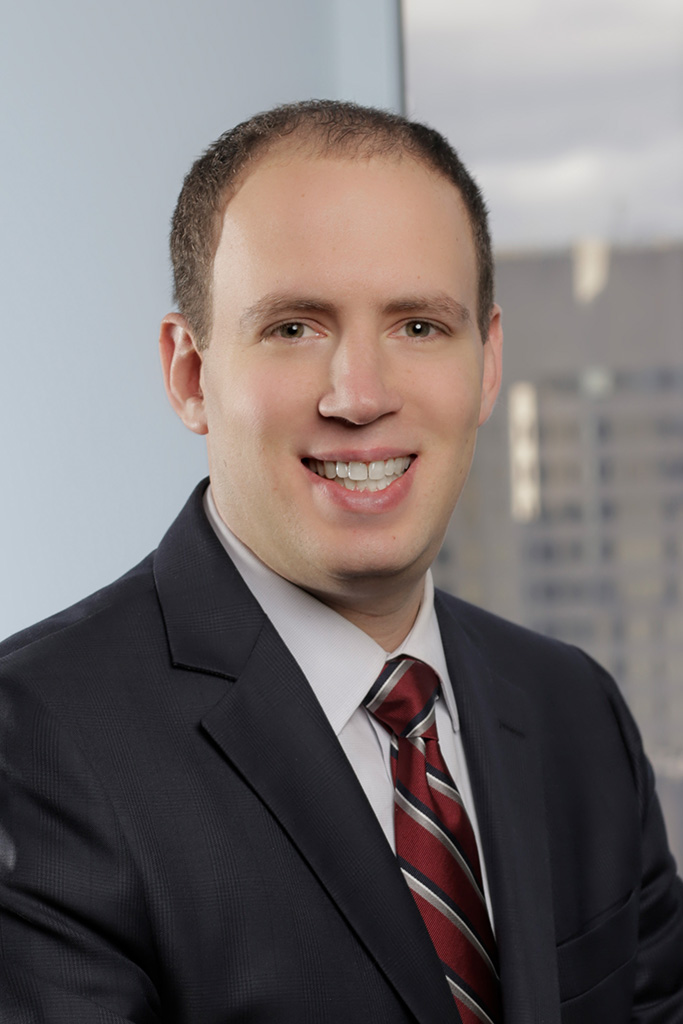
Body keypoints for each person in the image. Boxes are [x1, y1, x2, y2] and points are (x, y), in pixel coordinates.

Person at [0, 100, 681, 1024]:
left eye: (418, 327)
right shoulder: (35, 747)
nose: (359, 397)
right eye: (294, 327)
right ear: (191, 374)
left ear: (486, 364)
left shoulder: (574, 713)